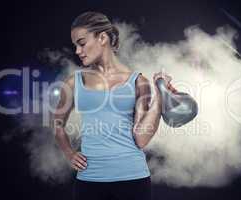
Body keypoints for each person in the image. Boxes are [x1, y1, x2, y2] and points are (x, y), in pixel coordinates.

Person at [54, 11, 176, 200]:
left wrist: (160, 97)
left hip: (133, 179)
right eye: (75, 45)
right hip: (90, 180)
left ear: (102, 38)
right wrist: (69, 153)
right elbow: (58, 124)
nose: (77, 51)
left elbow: (141, 139)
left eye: (82, 43)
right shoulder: (73, 82)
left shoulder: (138, 82)